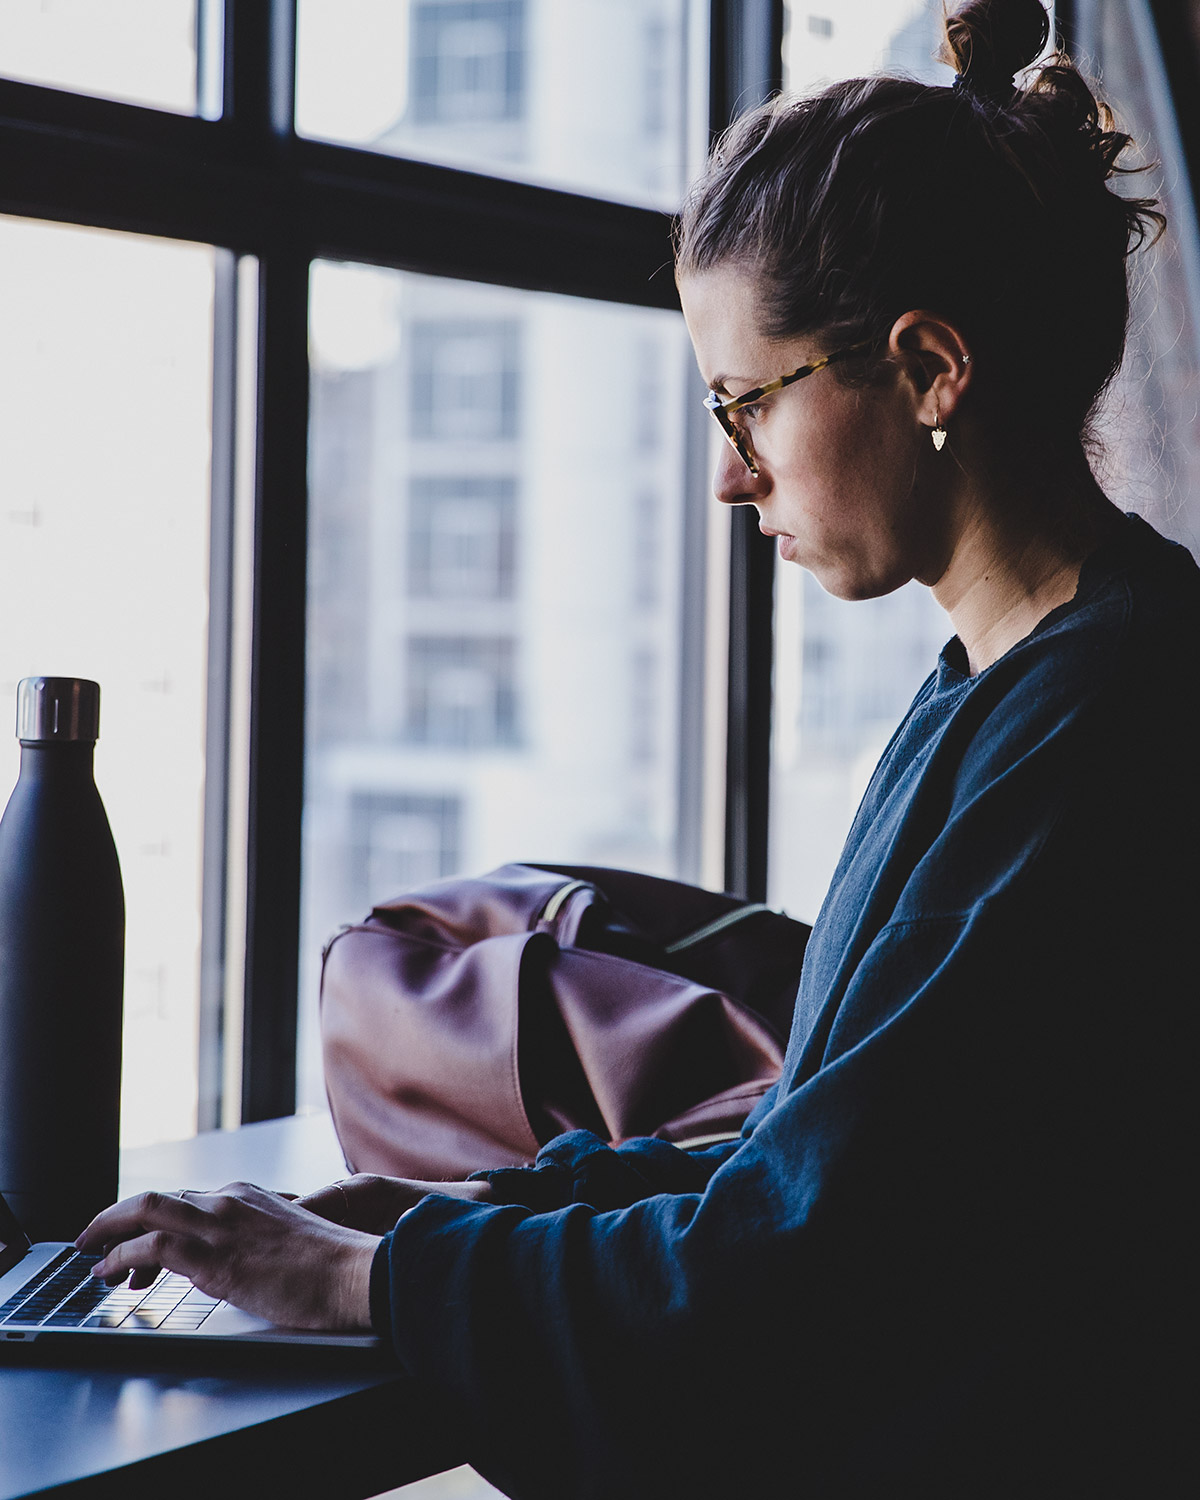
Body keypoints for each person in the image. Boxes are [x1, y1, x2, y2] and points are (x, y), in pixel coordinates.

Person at [79, 1, 1195, 1493]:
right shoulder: (1011, 684)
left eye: (748, 402)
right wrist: (427, 1222)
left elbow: (812, 1259)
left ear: (930, 369)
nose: (733, 477)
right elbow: (814, 1160)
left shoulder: (1091, 731)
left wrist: (371, 1284)